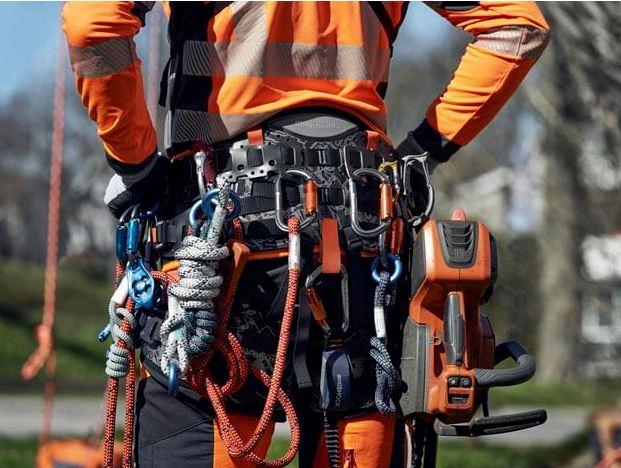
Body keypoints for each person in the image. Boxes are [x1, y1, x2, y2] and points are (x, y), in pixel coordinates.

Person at [62, 2, 550, 467]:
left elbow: (93, 20)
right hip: (365, 246)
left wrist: (138, 166)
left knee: (202, 413)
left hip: (224, 241)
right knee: (365, 420)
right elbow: (517, 28)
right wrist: (420, 150)